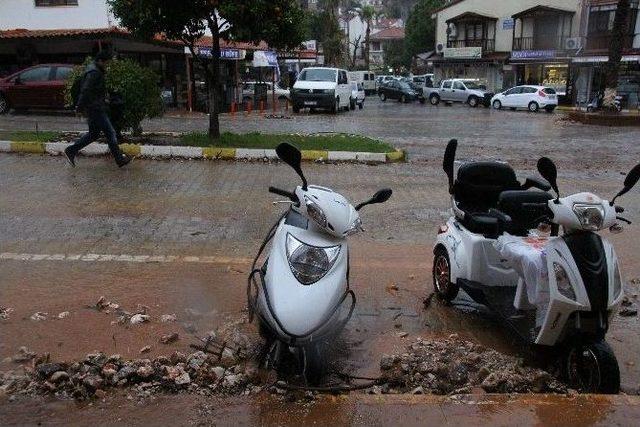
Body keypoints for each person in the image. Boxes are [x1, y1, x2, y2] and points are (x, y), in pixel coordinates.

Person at [64, 51, 132, 167]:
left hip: (95, 106)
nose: (107, 65)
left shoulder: (95, 70)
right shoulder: (94, 72)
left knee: (93, 134)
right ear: (100, 61)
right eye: (107, 63)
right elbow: (85, 90)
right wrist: (79, 107)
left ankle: (71, 150)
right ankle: (119, 159)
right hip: (95, 108)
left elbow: (94, 90)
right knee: (110, 133)